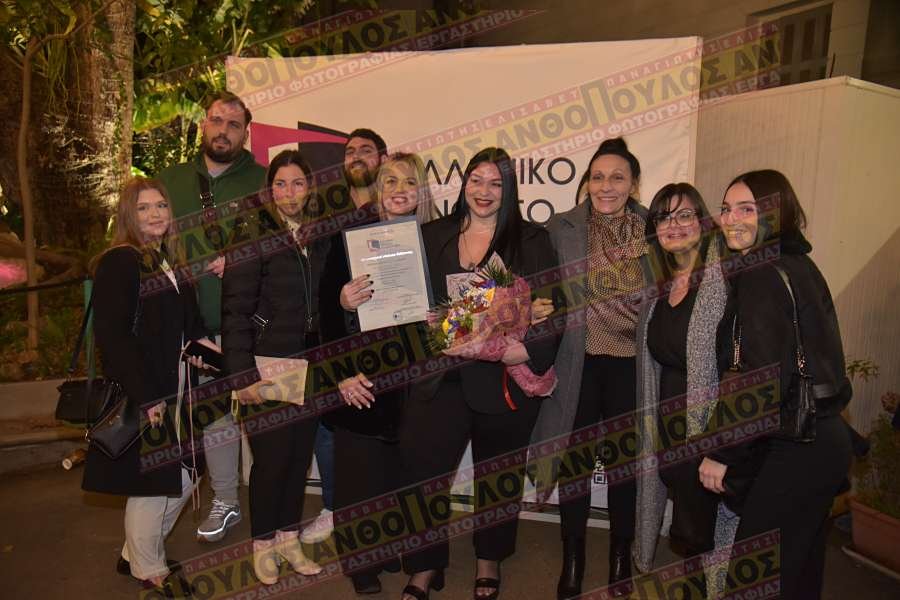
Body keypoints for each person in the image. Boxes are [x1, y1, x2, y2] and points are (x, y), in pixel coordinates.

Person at [399, 147, 560, 600]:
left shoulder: (531, 241)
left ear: (509, 190)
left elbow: (554, 306)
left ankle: (489, 558)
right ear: (464, 184)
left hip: (503, 381)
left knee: (499, 477)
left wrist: (525, 350)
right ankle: (425, 565)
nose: (484, 191)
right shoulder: (432, 235)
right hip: (439, 378)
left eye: (496, 183)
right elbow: (407, 304)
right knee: (423, 477)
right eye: (476, 180)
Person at [704, 170, 852, 599]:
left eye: (747, 209)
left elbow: (759, 379)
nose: (731, 219)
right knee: (797, 573)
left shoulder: (762, 273)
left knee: (753, 580)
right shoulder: (798, 263)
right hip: (824, 437)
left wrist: (722, 451)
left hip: (797, 445)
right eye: (726, 208)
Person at [82, 177, 220, 598]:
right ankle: (151, 571)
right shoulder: (120, 261)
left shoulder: (167, 260)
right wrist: (147, 398)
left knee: (187, 474)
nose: (155, 213)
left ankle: (134, 553)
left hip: (179, 386)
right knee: (154, 486)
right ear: (129, 215)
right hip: (148, 389)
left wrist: (208, 350)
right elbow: (113, 338)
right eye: (143, 208)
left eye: (160, 205)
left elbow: (188, 323)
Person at [530, 138, 650, 599]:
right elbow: (542, 290)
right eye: (597, 177)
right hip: (577, 363)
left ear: (633, 184)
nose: (606, 186)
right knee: (574, 464)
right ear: (586, 183)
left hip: (631, 365)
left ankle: (620, 557)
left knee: (624, 466)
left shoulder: (653, 229)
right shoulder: (561, 228)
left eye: (617, 177)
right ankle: (573, 558)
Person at [158, 91, 266, 543]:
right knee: (214, 417)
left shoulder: (264, 181)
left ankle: (273, 508)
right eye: (217, 120)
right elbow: (148, 242)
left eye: (233, 124)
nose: (223, 131)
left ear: (246, 133)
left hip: (251, 325)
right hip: (194, 327)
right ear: (203, 123)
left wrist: (241, 259)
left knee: (265, 417)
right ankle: (226, 499)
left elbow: (285, 241)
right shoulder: (170, 181)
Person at [330, 152, 437, 594]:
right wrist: (343, 302)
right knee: (360, 477)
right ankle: (363, 565)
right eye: (389, 180)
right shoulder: (348, 240)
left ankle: (412, 555)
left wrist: (441, 318)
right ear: (377, 188)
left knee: (410, 475)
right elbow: (324, 317)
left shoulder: (437, 239)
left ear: (421, 191)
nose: (399, 190)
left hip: (419, 377)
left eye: (409, 182)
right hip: (363, 374)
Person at [220, 150, 326, 584]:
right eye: (280, 184)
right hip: (267, 365)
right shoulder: (251, 232)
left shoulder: (319, 233)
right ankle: (262, 545)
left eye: (297, 183)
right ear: (269, 190)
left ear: (309, 187)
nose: (288, 192)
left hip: (311, 366)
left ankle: (288, 540)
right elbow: (234, 310)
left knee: (298, 461)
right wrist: (242, 376)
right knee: (271, 462)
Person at [633, 183, 736, 598]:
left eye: (684, 215)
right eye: (663, 217)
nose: (673, 225)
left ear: (703, 221)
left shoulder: (725, 280)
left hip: (709, 423)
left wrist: (722, 442)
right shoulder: (659, 287)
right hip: (668, 422)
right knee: (690, 528)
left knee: (707, 524)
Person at [302, 128, 389, 545]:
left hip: (378, 341)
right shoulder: (323, 210)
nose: (356, 157)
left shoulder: (390, 210)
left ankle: (372, 510)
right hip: (326, 332)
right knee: (327, 425)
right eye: (350, 151)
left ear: (382, 158)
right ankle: (333, 507)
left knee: (373, 425)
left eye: (365, 151)